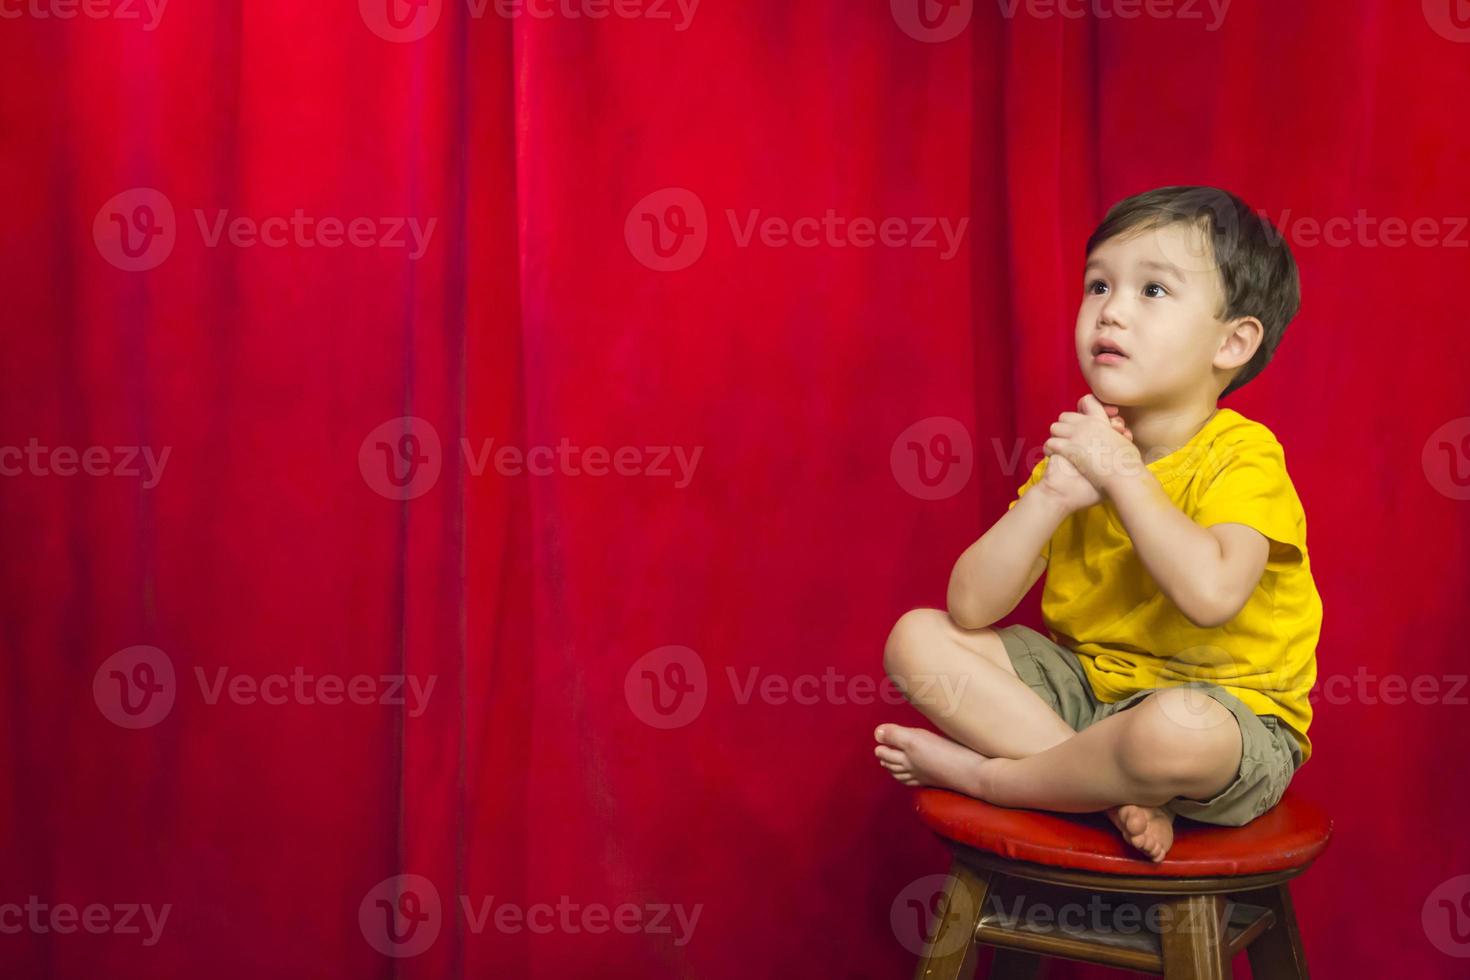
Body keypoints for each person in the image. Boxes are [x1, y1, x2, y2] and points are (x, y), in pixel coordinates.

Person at [874, 186, 1322, 862]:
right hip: (1086, 690)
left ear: (1232, 342)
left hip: (1227, 717)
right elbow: (969, 605)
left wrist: (1123, 476)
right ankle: (1106, 793)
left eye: (1153, 292)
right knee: (916, 641)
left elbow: (1210, 596)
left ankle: (998, 780)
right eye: (1098, 285)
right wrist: (1051, 497)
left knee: (1174, 729)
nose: (1110, 311)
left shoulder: (1242, 456)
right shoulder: (1088, 446)